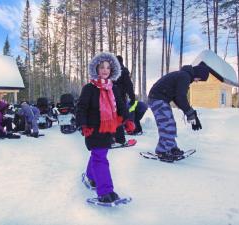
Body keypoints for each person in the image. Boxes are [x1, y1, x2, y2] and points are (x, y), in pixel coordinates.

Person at [76, 52, 135, 203]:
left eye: (108, 67)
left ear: (112, 70)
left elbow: (121, 106)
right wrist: (83, 125)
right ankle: (105, 191)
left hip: (109, 129)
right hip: (93, 129)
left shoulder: (113, 88)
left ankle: (90, 176)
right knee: (100, 157)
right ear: (96, 68)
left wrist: (127, 120)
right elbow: (81, 107)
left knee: (98, 155)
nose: (105, 70)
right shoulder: (89, 88)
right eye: (102, 67)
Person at [148, 63, 209, 162]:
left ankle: (170, 147)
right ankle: (163, 151)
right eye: (199, 79)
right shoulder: (185, 76)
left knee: (170, 123)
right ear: (198, 75)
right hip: (157, 98)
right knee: (167, 125)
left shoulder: (183, 75)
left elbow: (177, 98)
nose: (197, 82)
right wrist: (189, 112)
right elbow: (180, 97)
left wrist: (190, 112)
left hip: (159, 98)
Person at [112, 55, 136, 146]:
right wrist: (132, 97)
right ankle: (119, 139)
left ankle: (110, 137)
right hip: (119, 98)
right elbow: (129, 85)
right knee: (119, 116)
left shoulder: (110, 71)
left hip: (108, 98)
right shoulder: (123, 71)